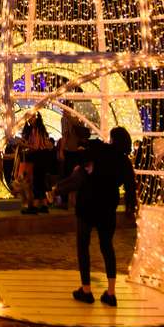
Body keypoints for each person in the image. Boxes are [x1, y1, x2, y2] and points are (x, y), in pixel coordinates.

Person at [55, 126, 137, 307]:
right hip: (108, 208)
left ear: (113, 139)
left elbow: (78, 159)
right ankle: (111, 292)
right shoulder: (124, 162)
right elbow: (130, 188)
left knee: (83, 247)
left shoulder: (100, 151)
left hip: (88, 204)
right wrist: (130, 209)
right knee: (107, 247)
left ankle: (86, 290)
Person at [22, 114, 53, 214]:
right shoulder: (41, 129)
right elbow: (47, 144)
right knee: (41, 180)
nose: (30, 120)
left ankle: (34, 206)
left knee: (37, 181)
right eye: (29, 118)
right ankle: (44, 205)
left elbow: (35, 146)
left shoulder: (35, 130)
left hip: (38, 156)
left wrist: (24, 144)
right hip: (43, 157)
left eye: (32, 117)